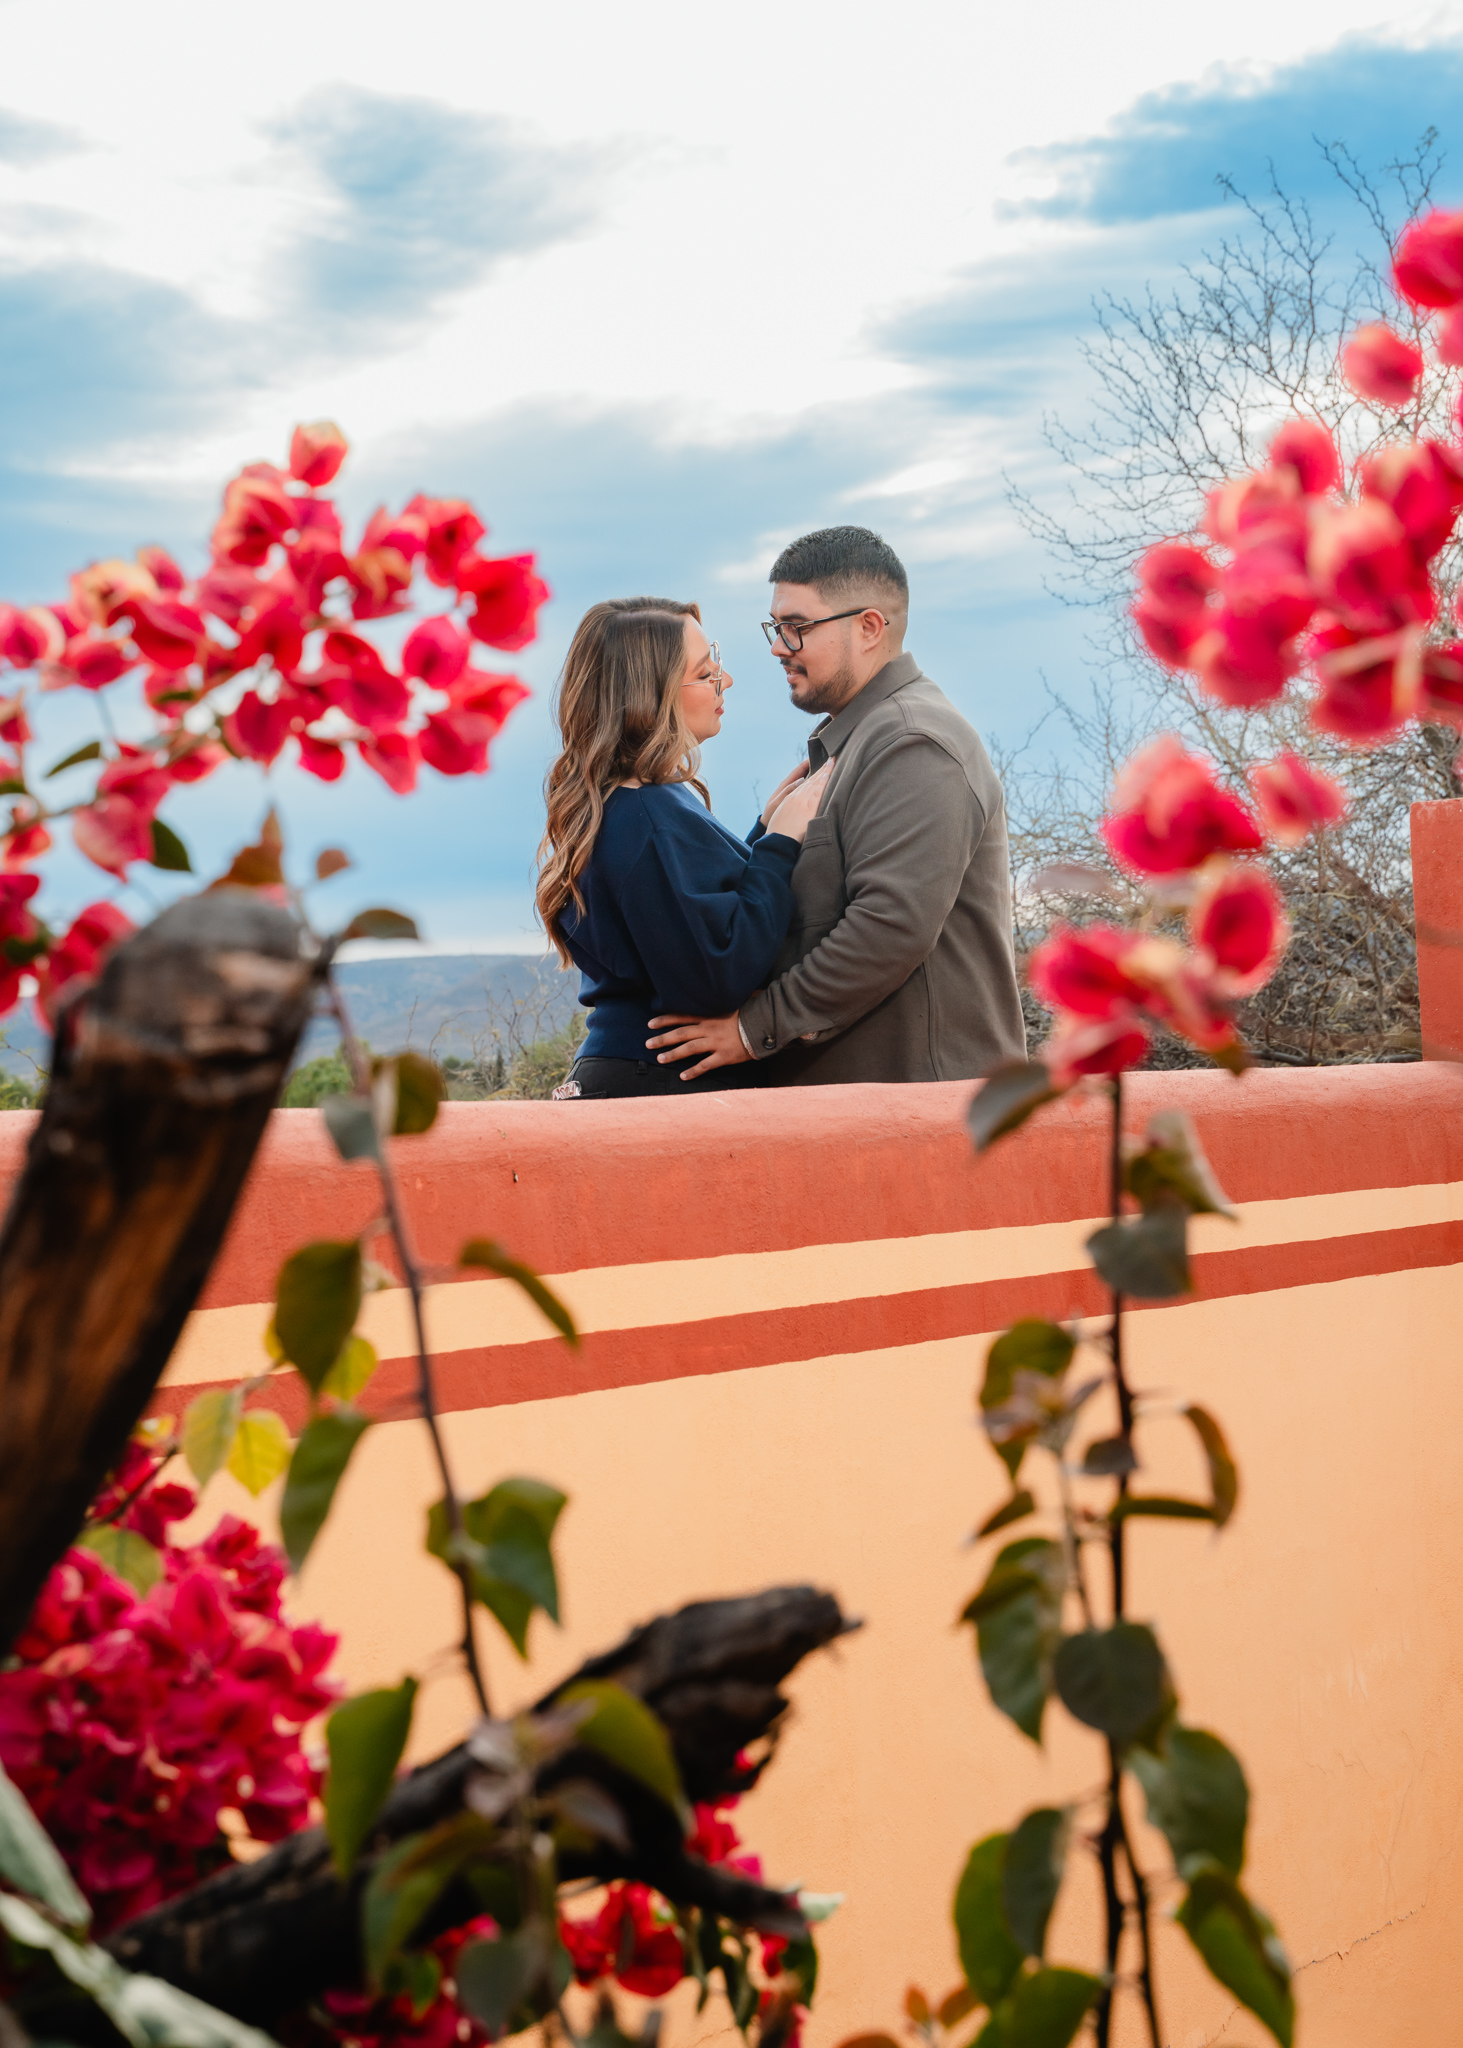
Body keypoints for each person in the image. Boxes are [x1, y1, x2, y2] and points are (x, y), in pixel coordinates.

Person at [645, 527, 1026, 1085]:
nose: (778, 646)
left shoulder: (914, 741)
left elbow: (888, 927)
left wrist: (753, 1029)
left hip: (920, 1120)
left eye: (796, 628)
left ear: (869, 627)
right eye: (776, 627)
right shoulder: (856, 742)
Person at [536, 596, 831, 1098]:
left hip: (635, 1073)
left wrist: (762, 831)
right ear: (646, 694)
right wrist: (781, 842)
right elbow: (716, 974)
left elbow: (683, 918)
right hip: (661, 1083)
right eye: (704, 671)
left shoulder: (635, 803)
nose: (726, 681)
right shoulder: (649, 815)